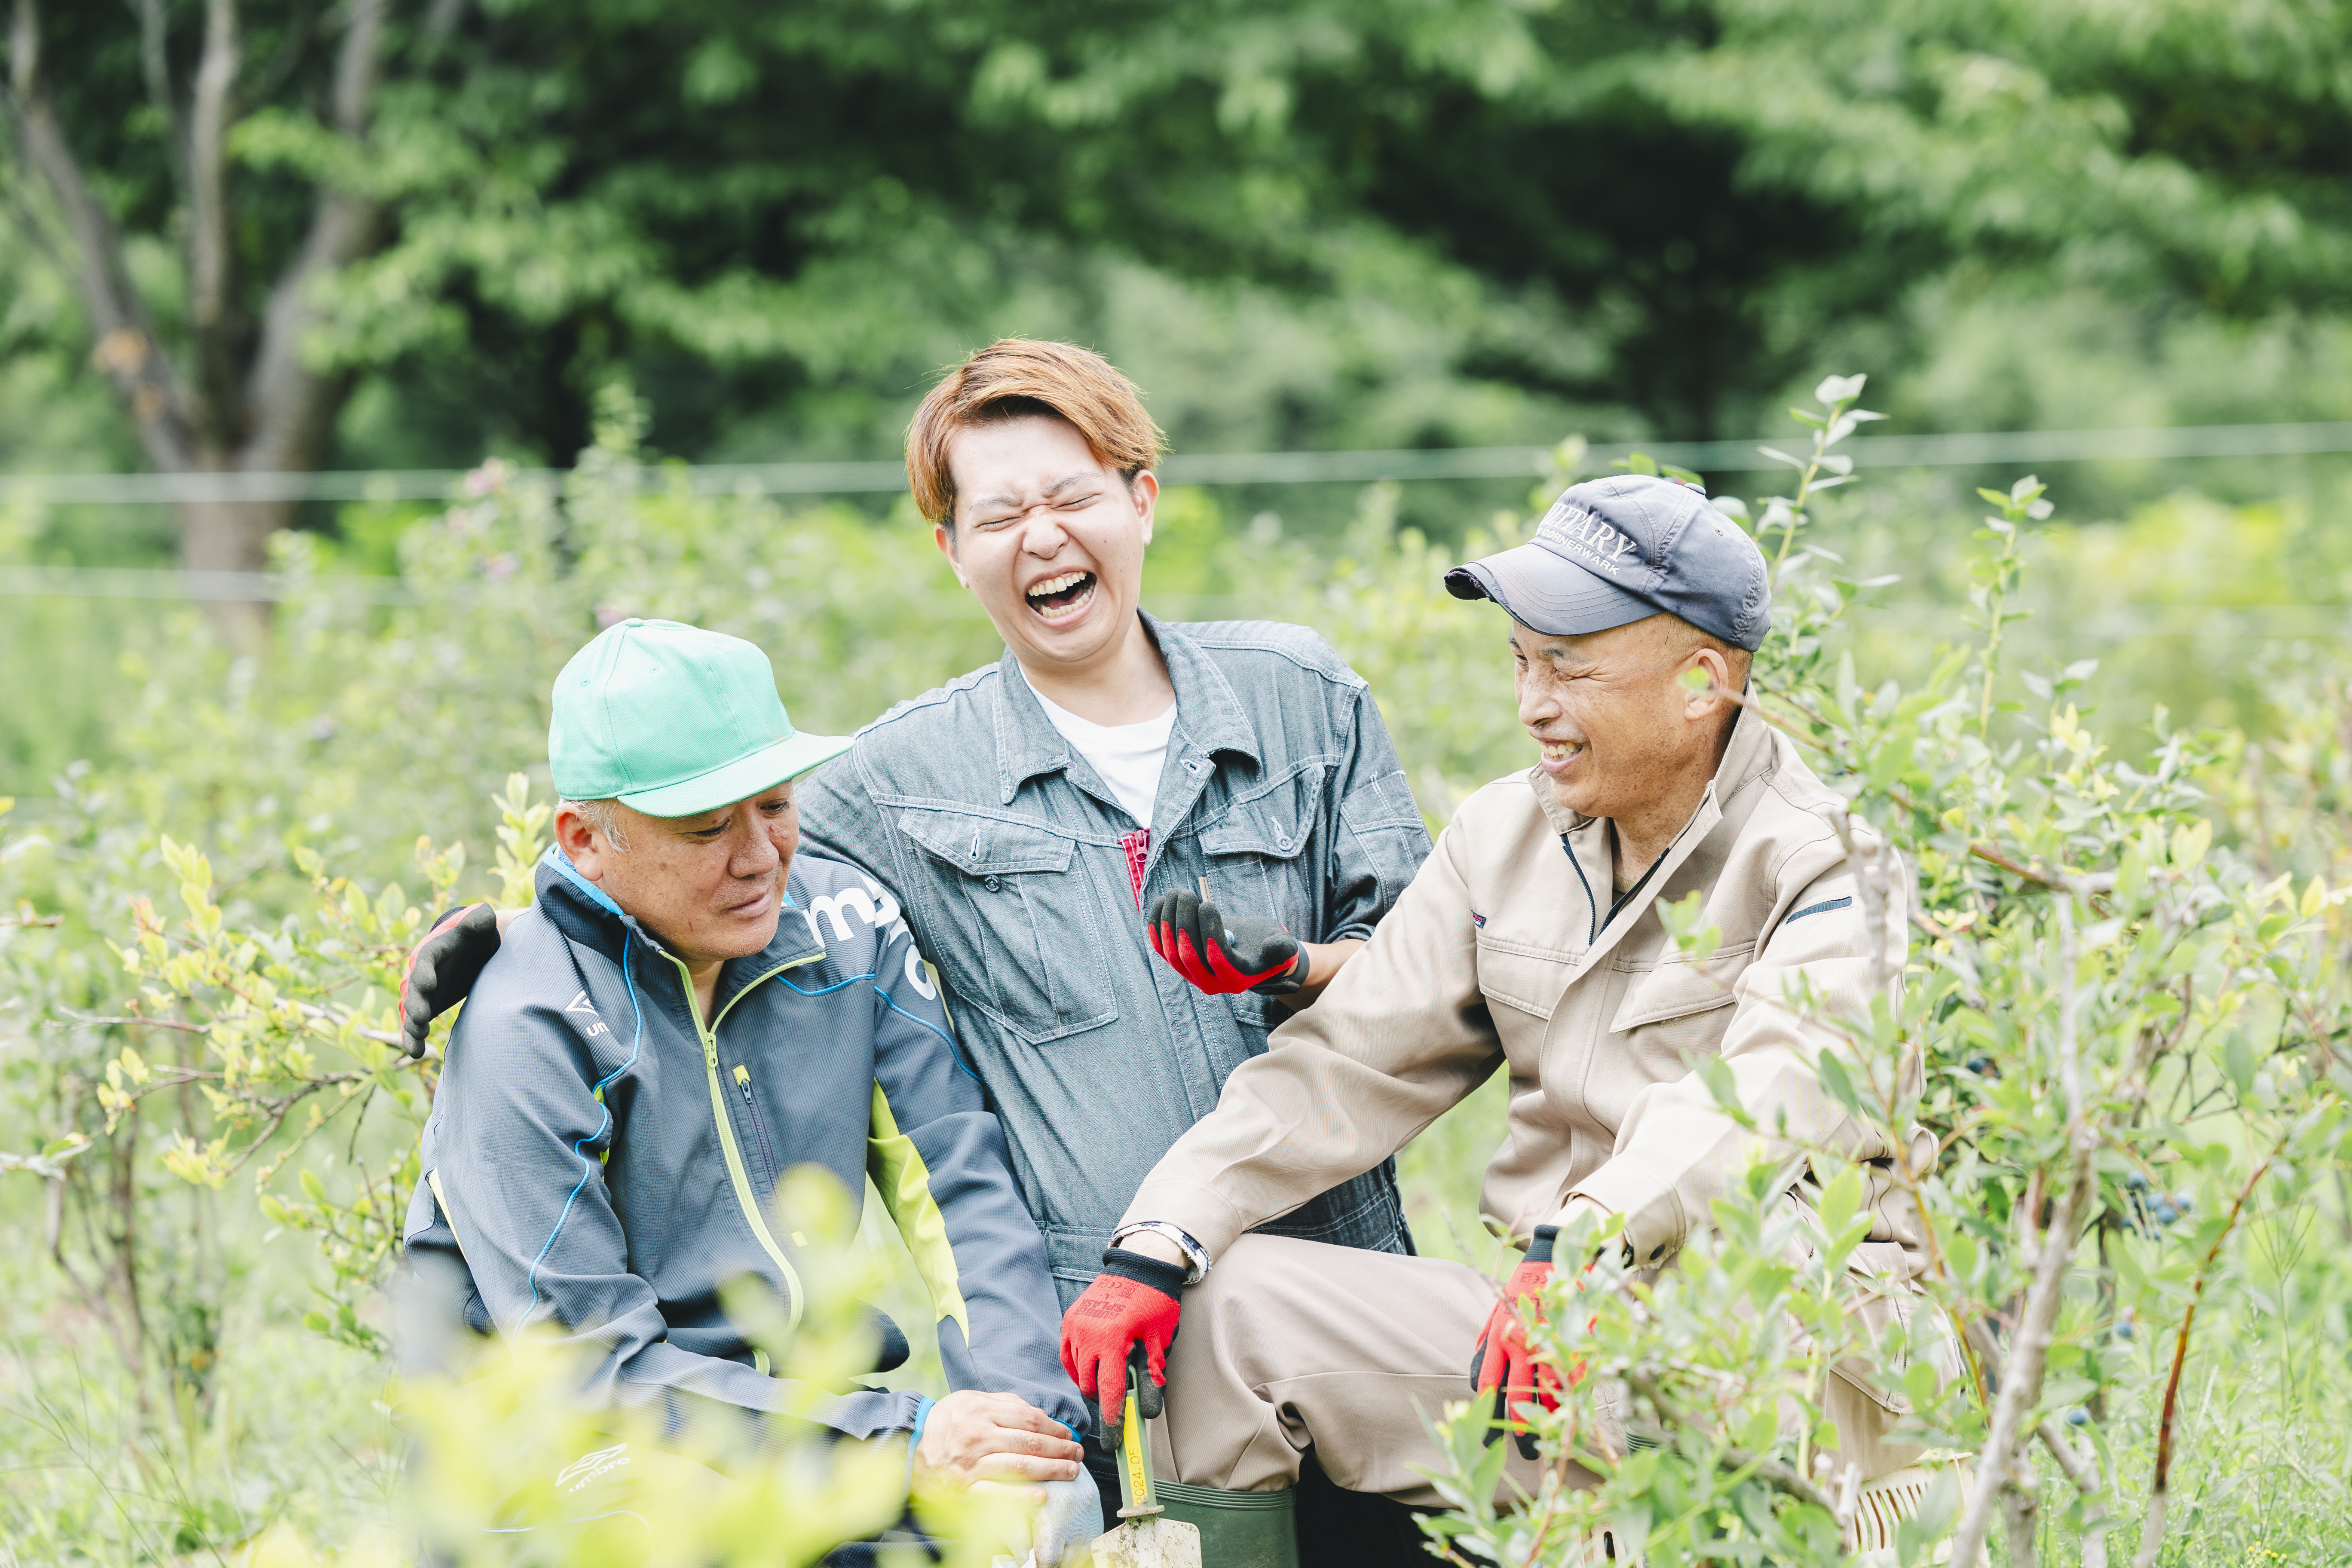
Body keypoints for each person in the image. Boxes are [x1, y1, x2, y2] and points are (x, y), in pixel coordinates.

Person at [396, 339, 1436, 1548]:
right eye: (1002, 514)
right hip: (1113, 1345)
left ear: (1141, 499)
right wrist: (517, 936)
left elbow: (1439, 977)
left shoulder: (1301, 694)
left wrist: (1297, 965)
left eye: (1071, 496)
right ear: (952, 551)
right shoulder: (896, 780)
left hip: (1335, 1283)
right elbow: (669, 879)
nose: (1044, 536)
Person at [1058, 473, 1965, 1543]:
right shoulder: (1503, 836)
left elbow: (1767, 1098)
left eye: (1570, 668)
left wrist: (1582, 1248)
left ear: (1702, 682)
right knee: (1222, 1306)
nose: (1533, 704)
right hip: (1551, 1337)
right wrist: (1156, 1241)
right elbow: (1347, 1062)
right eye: (1521, 662)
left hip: (1779, 1376)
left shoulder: (1831, 856)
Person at [398, 617, 1096, 1566]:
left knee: (1038, 1513)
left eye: (774, 804)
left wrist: (1019, 1432)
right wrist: (907, 1438)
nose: (760, 855)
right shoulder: (531, 1021)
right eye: (705, 828)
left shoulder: (847, 929)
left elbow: (960, 1185)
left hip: (809, 1431)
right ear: (585, 839)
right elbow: (593, 1371)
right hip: (566, 1473)